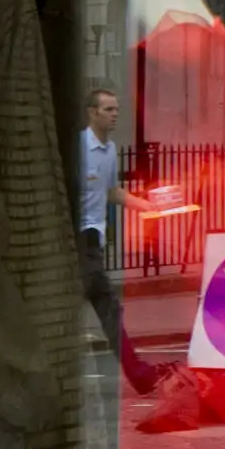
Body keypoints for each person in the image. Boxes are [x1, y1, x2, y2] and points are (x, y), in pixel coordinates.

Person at [80, 85, 145, 390]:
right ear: (92, 113)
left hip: (94, 241)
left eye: (117, 109)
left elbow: (110, 192)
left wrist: (144, 205)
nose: (115, 114)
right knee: (108, 307)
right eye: (108, 109)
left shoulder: (109, 151)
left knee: (102, 307)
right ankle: (139, 374)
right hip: (80, 240)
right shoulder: (79, 148)